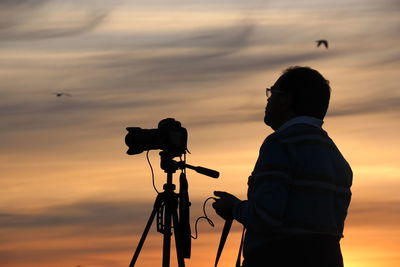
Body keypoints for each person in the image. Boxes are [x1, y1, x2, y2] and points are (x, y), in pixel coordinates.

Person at [212, 66, 353, 267]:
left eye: (272, 93)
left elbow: (265, 218)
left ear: (286, 100)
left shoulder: (280, 144)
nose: (268, 100)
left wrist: (234, 207)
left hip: (279, 257)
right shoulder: (336, 157)